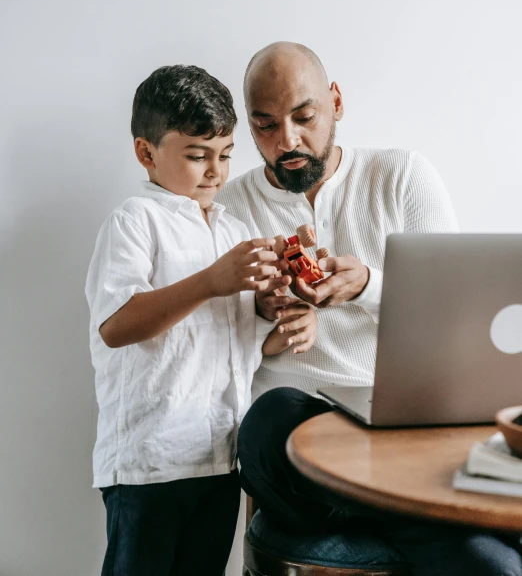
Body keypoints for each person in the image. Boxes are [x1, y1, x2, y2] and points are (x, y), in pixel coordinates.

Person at [216, 42, 522, 576]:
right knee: (267, 420)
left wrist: (368, 287)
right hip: (294, 434)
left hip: (399, 431)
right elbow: (208, 352)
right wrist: (263, 311)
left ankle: (399, 515)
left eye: (304, 116)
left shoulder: (402, 176)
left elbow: (460, 326)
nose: (286, 140)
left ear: (335, 102)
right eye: (264, 126)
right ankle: (435, 519)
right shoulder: (229, 208)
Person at [85, 64, 318, 576]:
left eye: (226, 155)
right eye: (197, 156)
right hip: (150, 464)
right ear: (146, 152)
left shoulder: (231, 227)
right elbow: (116, 324)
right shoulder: (134, 221)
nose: (215, 171)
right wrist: (213, 280)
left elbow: (240, 344)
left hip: (218, 458)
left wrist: (278, 318)